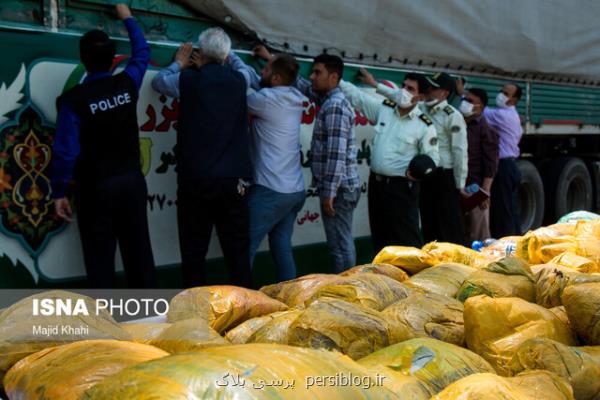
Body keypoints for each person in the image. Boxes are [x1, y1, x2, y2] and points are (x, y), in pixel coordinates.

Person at [50, 4, 156, 288]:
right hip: (132, 183)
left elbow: (66, 151)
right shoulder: (127, 84)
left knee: (100, 261)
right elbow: (142, 52)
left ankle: (105, 326)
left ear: (83, 59)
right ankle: (150, 322)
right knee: (139, 255)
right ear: (113, 60)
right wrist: (128, 17)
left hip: (96, 190)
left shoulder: (73, 101)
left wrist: (59, 191)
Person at [151, 28, 252, 288]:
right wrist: (227, 58)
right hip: (235, 181)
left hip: (197, 179)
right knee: (237, 252)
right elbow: (248, 72)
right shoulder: (240, 80)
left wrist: (179, 63)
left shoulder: (187, 80)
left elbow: (159, 81)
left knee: (194, 252)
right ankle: (246, 310)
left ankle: (195, 315)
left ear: (201, 53)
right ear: (227, 55)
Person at [254, 45, 360, 273]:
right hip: (335, 187)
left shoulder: (335, 106)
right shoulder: (327, 98)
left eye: (317, 73)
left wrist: (329, 192)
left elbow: (336, 154)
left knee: (340, 246)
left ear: (333, 77)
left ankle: (348, 293)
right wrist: (271, 58)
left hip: (339, 189)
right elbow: (300, 85)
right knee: (338, 243)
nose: (312, 77)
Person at [226, 50, 306, 282]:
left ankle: (240, 306)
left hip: (271, 191)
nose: (261, 70)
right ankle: (290, 299)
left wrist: (228, 57)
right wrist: (233, 57)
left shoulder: (266, 100)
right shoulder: (295, 96)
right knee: (281, 246)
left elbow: (238, 92)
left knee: (243, 248)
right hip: (294, 191)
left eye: (266, 68)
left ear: (276, 79)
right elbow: (255, 78)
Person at [339, 68, 439, 251]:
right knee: (380, 237)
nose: (404, 91)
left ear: (421, 97)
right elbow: (358, 98)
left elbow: (432, 158)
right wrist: (337, 78)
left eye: (411, 89)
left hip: (401, 188)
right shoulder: (384, 109)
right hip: (377, 186)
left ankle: (412, 278)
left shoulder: (424, 125)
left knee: (405, 239)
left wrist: (418, 172)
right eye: (403, 86)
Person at [418, 73, 468, 245]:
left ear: (445, 93)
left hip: (444, 176)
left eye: (433, 88)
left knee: (448, 226)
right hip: (425, 176)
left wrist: (459, 184)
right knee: (428, 223)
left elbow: (459, 150)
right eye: (428, 87)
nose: (428, 91)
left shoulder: (452, 115)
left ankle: (455, 267)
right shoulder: (421, 110)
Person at [484, 83, 523, 237]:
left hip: (504, 166)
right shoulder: (513, 115)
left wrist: (462, 95)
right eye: (501, 91)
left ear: (514, 100)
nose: (501, 95)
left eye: (506, 93)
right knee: (510, 208)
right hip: (510, 165)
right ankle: (516, 243)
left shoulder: (503, 115)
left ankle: (507, 247)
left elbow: (480, 111)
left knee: (503, 210)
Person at [460, 88, 499, 241]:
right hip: (460, 185)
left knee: (478, 235)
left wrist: (485, 192)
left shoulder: (486, 130)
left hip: (475, 188)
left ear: (480, 107)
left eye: (470, 101)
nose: (465, 103)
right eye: (465, 99)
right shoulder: (459, 124)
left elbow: (491, 163)